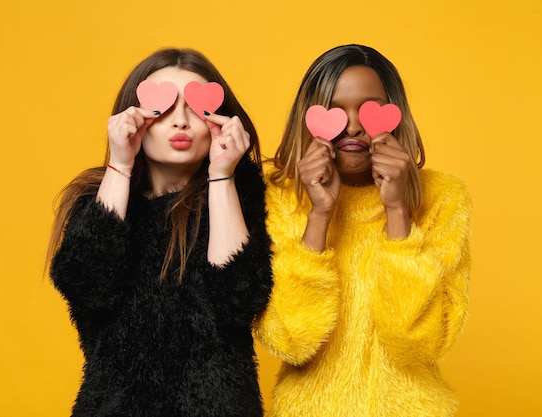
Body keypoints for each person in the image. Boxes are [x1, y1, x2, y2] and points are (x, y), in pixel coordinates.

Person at [46, 48, 272, 417]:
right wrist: (119, 164)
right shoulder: (100, 201)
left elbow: (237, 303)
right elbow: (86, 285)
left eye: (197, 109)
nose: (180, 122)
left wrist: (222, 175)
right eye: (163, 107)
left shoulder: (239, 198)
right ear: (133, 117)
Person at [254, 44, 472, 417]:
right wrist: (320, 214)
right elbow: (290, 340)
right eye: (335, 111)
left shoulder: (443, 199)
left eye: (368, 109)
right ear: (310, 117)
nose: (353, 125)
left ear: (395, 115)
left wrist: (398, 210)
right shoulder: (277, 198)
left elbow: (420, 344)